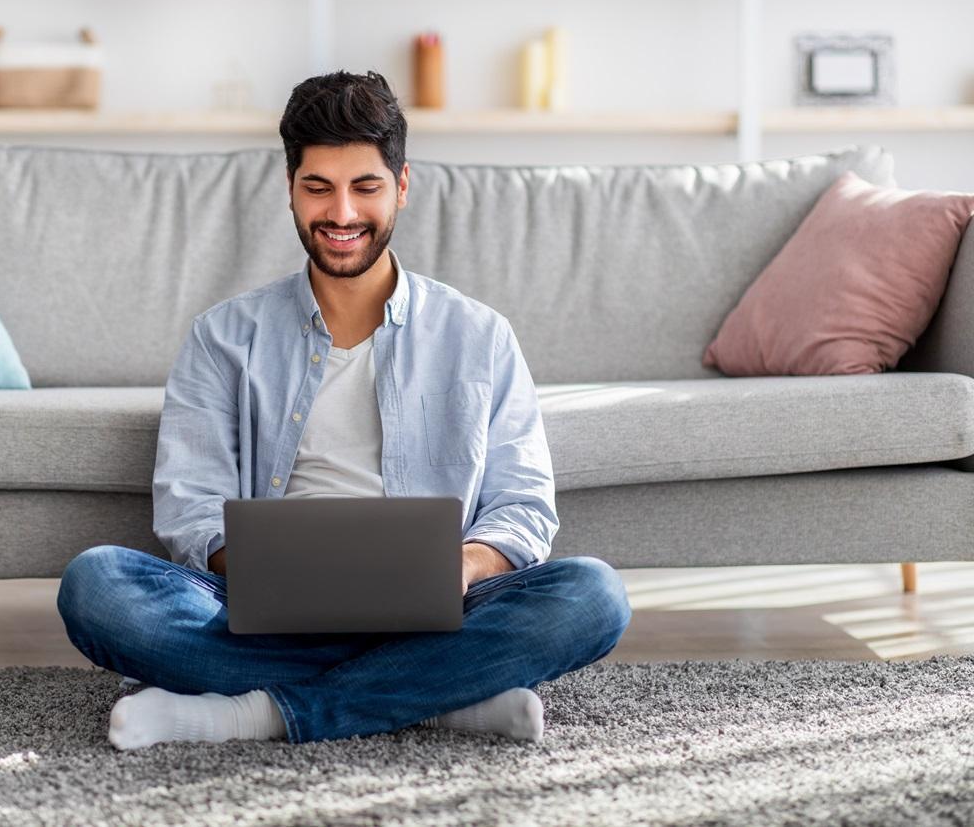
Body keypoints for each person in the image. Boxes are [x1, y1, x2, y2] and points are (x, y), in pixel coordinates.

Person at [57, 70, 631, 750]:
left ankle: (257, 712)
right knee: (96, 586)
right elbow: (190, 507)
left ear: (403, 186)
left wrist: (463, 564)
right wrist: (269, 571)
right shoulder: (222, 337)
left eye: (365, 187)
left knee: (593, 596)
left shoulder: (480, 337)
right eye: (318, 188)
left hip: (442, 611)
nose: (343, 215)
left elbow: (524, 506)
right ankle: (443, 693)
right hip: (262, 611)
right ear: (290, 189)